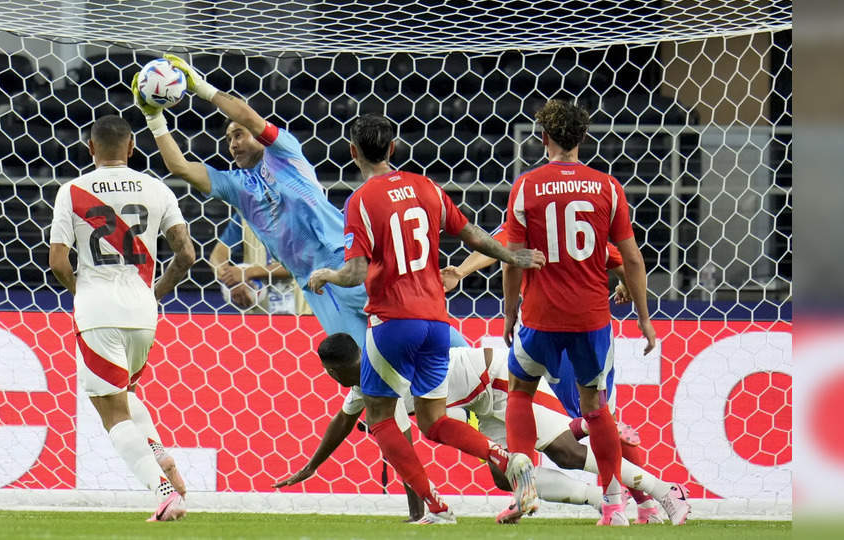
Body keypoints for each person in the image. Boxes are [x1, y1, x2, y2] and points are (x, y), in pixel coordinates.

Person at [306, 114, 545, 524]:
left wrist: (326, 275)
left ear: (352, 152)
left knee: (380, 418)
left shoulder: (359, 201)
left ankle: (435, 507)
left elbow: (356, 272)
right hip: (437, 323)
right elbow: (471, 233)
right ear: (394, 148)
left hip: (393, 322)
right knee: (433, 421)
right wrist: (511, 255)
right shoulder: (427, 187)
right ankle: (505, 456)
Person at [276, 333, 690, 524]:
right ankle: (601, 498)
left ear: (339, 366)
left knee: (563, 453)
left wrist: (420, 514)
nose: (331, 377)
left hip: (496, 377)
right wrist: (311, 467)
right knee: (502, 473)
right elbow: (342, 424)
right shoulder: (366, 384)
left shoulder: (384, 375)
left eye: (331, 371)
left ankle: (663, 491)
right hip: (474, 402)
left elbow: (401, 450)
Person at [500, 100, 682, 527]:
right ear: (582, 139)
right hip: (591, 320)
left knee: (519, 391)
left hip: (542, 317)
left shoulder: (526, 186)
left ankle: (524, 478)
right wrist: (643, 316)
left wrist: (510, 311)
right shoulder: (607, 187)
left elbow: (512, 257)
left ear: (543, 139)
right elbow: (633, 260)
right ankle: (616, 504)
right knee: (596, 409)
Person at [440, 233, 680, 524]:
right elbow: (624, 260)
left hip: (550, 332)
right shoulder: (583, 223)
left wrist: (473, 280)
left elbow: (501, 251)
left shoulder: (536, 211)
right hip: (584, 330)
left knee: (572, 433)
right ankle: (642, 506)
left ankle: (639, 496)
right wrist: (628, 288)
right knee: (587, 423)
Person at [129, 55, 367, 346]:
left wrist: (200, 87)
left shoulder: (284, 153)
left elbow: (250, 118)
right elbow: (180, 167)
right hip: (310, 282)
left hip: (343, 259)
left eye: (239, 135)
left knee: (392, 336)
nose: (233, 144)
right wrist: (153, 117)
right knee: (353, 359)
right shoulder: (236, 185)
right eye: (228, 139)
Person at [48, 114, 196, 522]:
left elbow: (58, 261)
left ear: (91, 148)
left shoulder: (72, 190)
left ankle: (163, 493)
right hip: (143, 312)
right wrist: (155, 292)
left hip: (98, 310)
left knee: (110, 410)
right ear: (132, 148)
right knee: (124, 395)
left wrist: (83, 293)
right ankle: (159, 457)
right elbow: (186, 255)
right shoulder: (158, 189)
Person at [208, 214, 307, 314]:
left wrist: (249, 273)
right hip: (260, 315)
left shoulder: (302, 214)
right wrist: (231, 280)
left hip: (304, 313)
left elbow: (305, 265)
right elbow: (217, 255)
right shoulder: (244, 216)